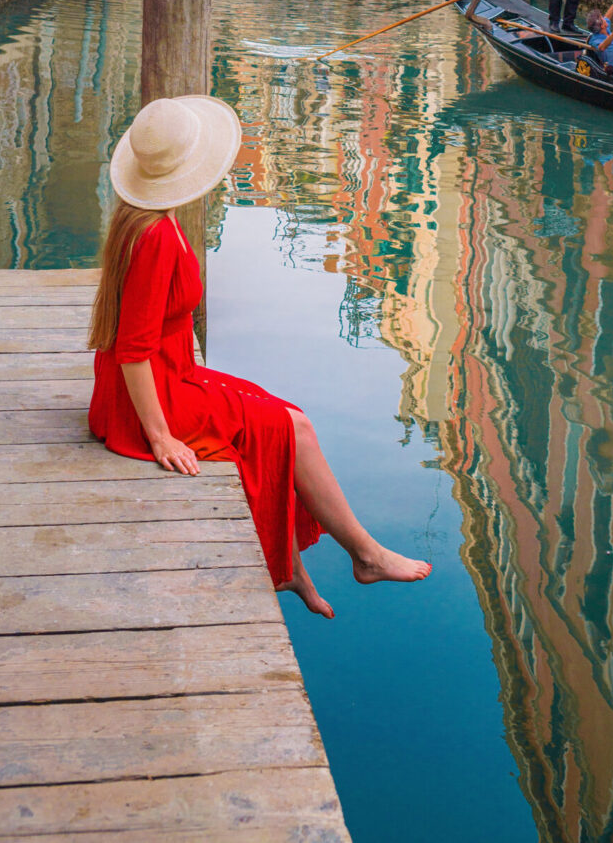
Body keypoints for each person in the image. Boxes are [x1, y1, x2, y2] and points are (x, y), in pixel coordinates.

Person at [88, 96, 431, 619]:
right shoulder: (157, 234)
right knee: (293, 428)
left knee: (279, 414)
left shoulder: (139, 217)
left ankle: (294, 567)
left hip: (160, 379)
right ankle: (366, 554)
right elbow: (133, 352)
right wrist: (160, 436)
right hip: (152, 400)